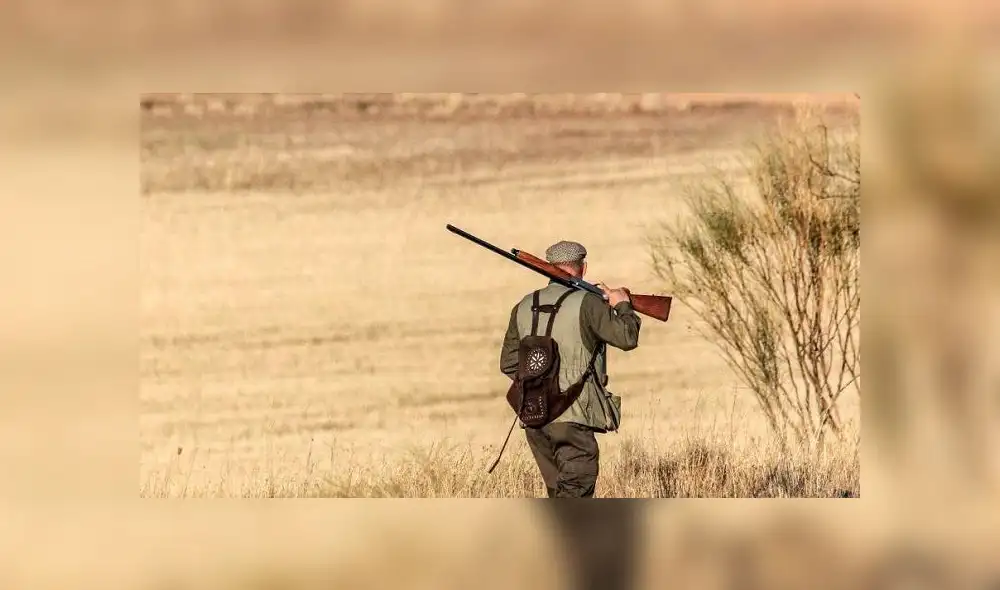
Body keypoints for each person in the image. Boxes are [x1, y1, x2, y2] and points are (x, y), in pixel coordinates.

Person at [499, 239, 641, 498]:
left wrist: (539, 384)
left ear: (548, 268)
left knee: (558, 494)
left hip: (535, 419)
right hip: (573, 417)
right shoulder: (588, 303)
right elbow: (627, 338)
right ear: (583, 268)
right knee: (576, 493)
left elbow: (508, 362)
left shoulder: (523, 305)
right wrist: (623, 305)